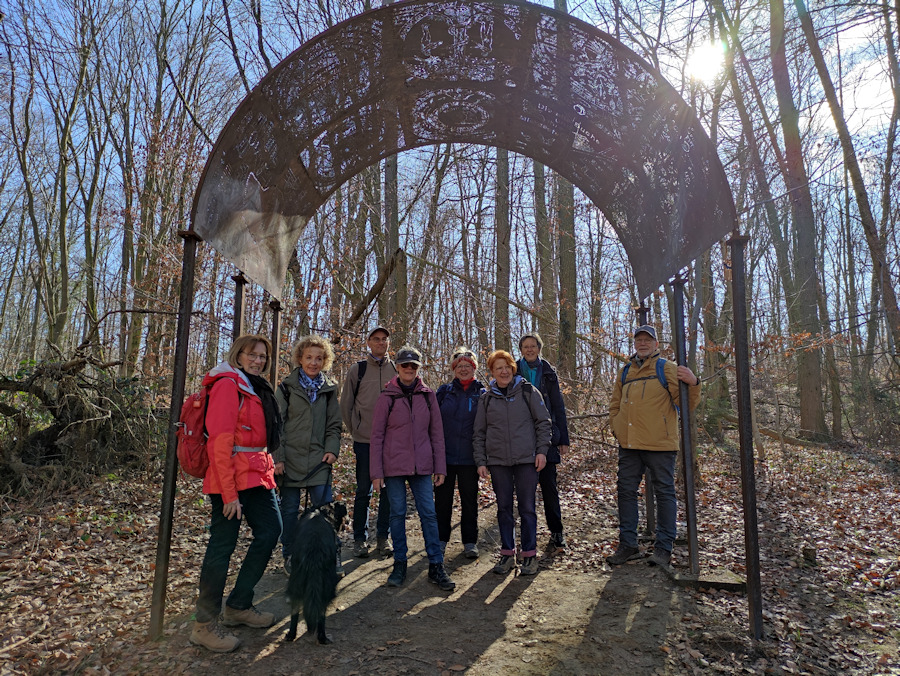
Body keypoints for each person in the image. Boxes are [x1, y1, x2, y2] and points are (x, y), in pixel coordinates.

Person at [190, 335, 283, 653]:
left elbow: (256, 439)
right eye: (252, 354)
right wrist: (229, 495)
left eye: (263, 356)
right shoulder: (229, 384)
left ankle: (238, 605)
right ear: (239, 355)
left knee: (271, 531)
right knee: (222, 547)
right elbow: (220, 440)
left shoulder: (255, 386)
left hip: (256, 474)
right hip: (228, 479)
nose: (259, 360)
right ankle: (203, 626)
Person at [606, 325, 701, 567]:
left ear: (656, 344)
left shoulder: (666, 369)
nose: (643, 343)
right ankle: (628, 545)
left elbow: (686, 404)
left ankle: (663, 548)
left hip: (660, 444)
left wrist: (694, 383)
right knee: (626, 492)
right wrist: (618, 427)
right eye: (639, 339)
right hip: (629, 445)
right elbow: (614, 405)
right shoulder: (625, 371)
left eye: (648, 340)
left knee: (664, 493)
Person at [370, 346, 455, 591]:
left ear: (419, 368)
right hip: (393, 466)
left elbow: (437, 434)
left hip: (423, 466)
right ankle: (400, 563)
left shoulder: (428, 396)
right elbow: (376, 437)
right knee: (396, 514)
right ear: (397, 367)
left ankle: (436, 565)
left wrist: (440, 466)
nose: (409, 369)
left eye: (414, 365)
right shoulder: (386, 396)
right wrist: (376, 473)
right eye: (405, 365)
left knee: (429, 514)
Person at [473, 350, 551, 576]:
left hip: (527, 459)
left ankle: (529, 555)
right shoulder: (487, 399)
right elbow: (479, 433)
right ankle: (507, 553)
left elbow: (543, 423)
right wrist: (481, 461)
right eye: (498, 368)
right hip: (498, 462)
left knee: (527, 509)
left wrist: (542, 451)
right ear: (492, 372)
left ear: (512, 368)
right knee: (504, 509)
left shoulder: (528, 391)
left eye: (506, 366)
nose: (504, 371)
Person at [274, 334, 342, 576]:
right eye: (309, 357)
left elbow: (334, 425)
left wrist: (332, 450)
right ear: (300, 359)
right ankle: (291, 556)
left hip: (319, 461)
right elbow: (276, 425)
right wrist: (278, 458)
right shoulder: (286, 388)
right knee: (289, 512)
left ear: (325, 361)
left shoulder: (329, 390)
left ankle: (330, 556)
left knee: (325, 511)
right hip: (290, 460)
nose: (314, 362)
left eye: (319, 358)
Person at [340, 326, 397, 558]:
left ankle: (383, 537)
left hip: (392, 443)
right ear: (368, 342)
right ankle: (359, 539)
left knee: (389, 492)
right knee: (364, 490)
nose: (381, 343)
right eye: (376, 339)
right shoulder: (358, 370)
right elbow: (345, 405)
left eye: (384, 339)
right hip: (364, 441)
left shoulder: (397, 368)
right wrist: (357, 429)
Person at [516, 332, 570, 551]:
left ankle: (556, 532)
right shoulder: (513, 370)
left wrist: (563, 438)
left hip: (546, 436)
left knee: (549, 487)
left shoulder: (548, 373)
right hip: (520, 438)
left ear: (539, 348)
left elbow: (558, 405)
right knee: (523, 491)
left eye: (533, 346)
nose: (529, 350)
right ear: (521, 350)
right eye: (525, 346)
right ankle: (526, 538)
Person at [434, 347, 485, 559]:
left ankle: (470, 541)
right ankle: (440, 539)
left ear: (474, 368)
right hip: (444, 457)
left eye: (468, 366)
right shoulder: (443, 392)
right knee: (442, 502)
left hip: (469, 458)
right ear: (454, 369)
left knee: (469, 501)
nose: (464, 369)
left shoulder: (482, 393)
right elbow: (432, 424)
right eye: (460, 366)